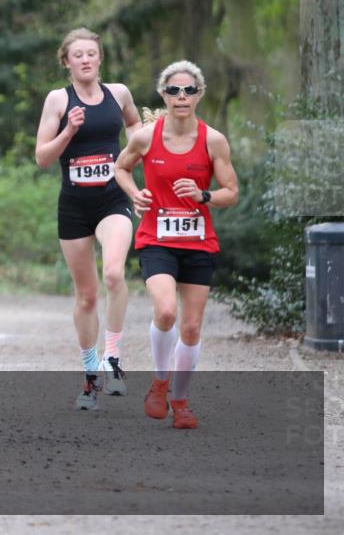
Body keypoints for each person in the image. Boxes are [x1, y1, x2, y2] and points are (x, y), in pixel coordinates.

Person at [115, 60, 239, 429]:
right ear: (163, 95)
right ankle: (159, 383)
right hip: (157, 239)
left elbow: (231, 192)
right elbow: (121, 168)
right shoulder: (146, 137)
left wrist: (204, 195)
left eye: (188, 90)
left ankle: (180, 401)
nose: (181, 96)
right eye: (173, 90)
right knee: (166, 312)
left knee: (191, 328)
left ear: (199, 95)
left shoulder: (213, 140)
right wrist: (135, 193)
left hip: (199, 242)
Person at [34, 28, 141, 410]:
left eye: (91, 53)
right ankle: (90, 375)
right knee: (87, 296)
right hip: (74, 207)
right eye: (77, 54)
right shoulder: (58, 100)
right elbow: (42, 157)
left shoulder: (120, 93)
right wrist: (69, 131)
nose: (85, 59)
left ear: (99, 58)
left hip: (113, 199)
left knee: (114, 273)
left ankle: (113, 359)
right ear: (67, 61)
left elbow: (135, 126)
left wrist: (132, 154)